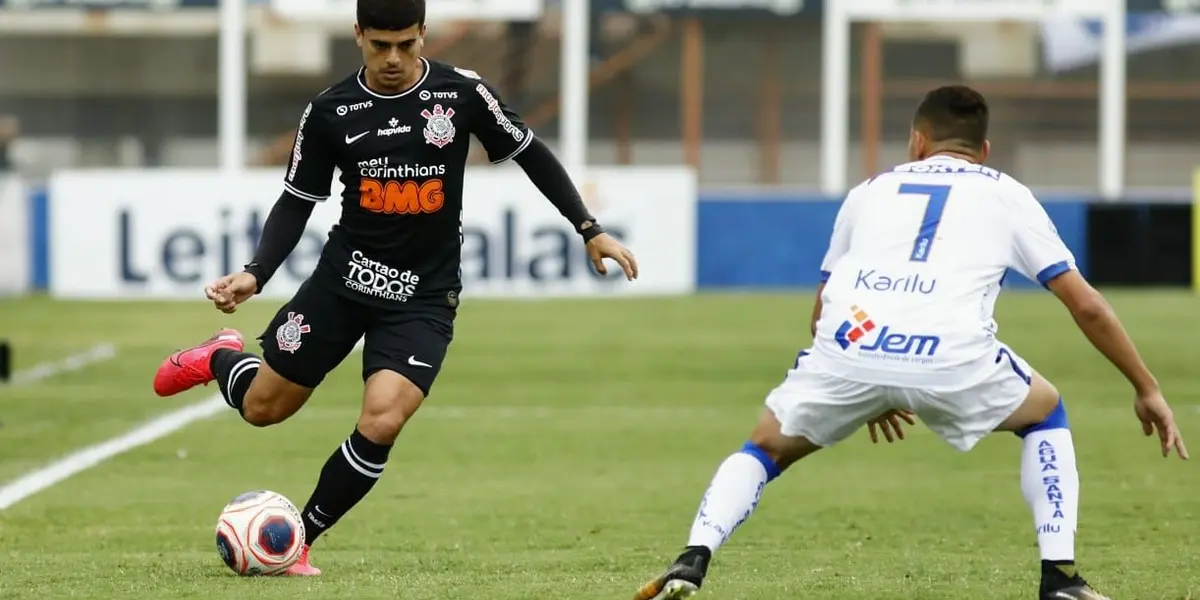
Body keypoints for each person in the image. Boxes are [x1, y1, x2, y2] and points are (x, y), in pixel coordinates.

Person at [632, 85, 1186, 600]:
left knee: (764, 447)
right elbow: (1085, 304)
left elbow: (822, 306)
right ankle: (1060, 578)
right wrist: (1146, 386)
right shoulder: (1008, 196)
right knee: (1044, 412)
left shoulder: (868, 191)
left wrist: (873, 384)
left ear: (917, 143)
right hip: (951, 353)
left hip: (853, 344)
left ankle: (693, 557)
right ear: (984, 150)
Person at [151, 0, 638, 577]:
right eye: (380, 44)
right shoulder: (330, 111)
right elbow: (296, 201)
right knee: (263, 410)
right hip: (344, 281)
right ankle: (222, 356)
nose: (393, 58)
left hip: (424, 296)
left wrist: (590, 228)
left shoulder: (460, 95)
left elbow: (530, 152)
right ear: (358, 35)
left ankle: (297, 539)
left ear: (422, 35)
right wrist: (257, 273)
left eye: (406, 44)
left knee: (383, 418)